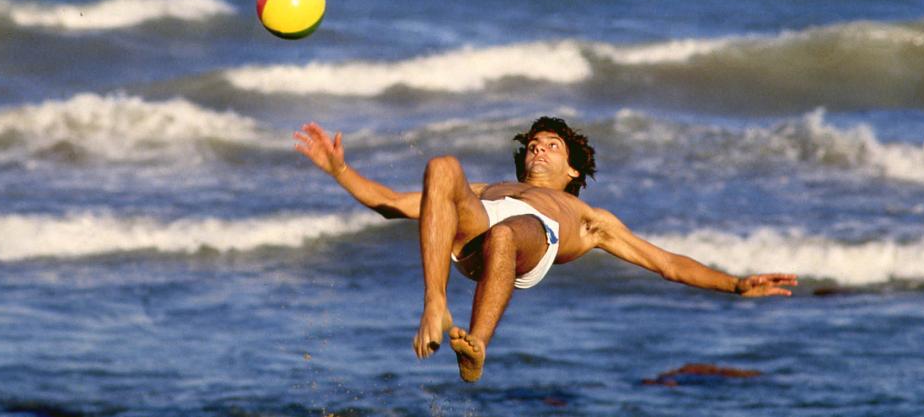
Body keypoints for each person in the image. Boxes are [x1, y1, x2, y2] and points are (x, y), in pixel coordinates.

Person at [294, 116, 797, 382]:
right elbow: (389, 203)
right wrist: (340, 170)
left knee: (507, 232)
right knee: (442, 167)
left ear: (574, 169)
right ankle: (435, 303)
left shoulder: (589, 219)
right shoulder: (494, 188)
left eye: (552, 144)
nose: (538, 147)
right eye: (533, 143)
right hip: (475, 233)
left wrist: (733, 283)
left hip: (528, 241)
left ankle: (477, 346)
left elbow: (665, 263)